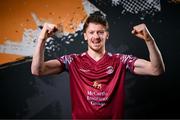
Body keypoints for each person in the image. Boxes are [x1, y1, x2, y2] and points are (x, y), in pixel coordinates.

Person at [31, 12, 165, 119]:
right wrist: (42, 39)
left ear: (107, 35)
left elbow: (156, 70)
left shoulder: (121, 60)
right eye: (91, 32)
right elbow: (38, 70)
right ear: (85, 36)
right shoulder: (72, 61)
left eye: (100, 32)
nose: (96, 36)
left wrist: (149, 40)